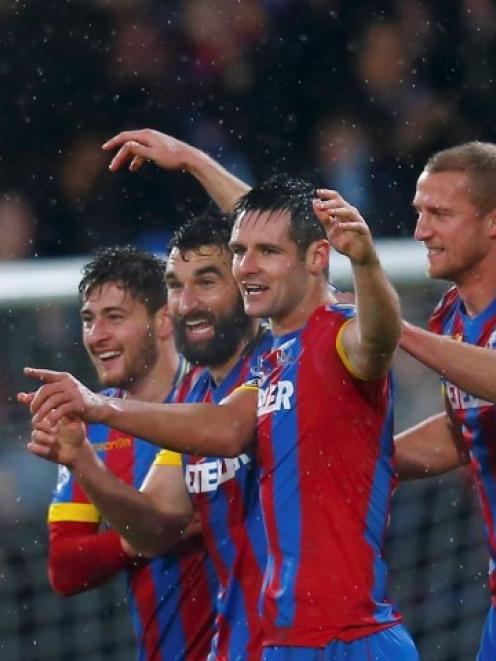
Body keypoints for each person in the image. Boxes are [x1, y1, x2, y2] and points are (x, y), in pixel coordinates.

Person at [21, 175, 419, 659]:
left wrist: (364, 259)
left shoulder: (324, 338)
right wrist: (86, 448)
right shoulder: (240, 380)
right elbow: (155, 526)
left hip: (349, 634)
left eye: (207, 282)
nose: (187, 303)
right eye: (176, 286)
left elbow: (374, 333)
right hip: (264, 644)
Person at [45, 246, 216, 660]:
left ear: (163, 321)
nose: (96, 334)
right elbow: (64, 568)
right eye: (88, 319)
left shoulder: (219, 398)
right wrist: (135, 540)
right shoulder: (91, 429)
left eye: (114, 317)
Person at [391, 141, 496, 660]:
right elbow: (463, 431)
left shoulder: (429, 333)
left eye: (440, 214)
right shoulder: (451, 318)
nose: (420, 232)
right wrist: (369, 461)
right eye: (419, 213)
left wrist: (396, 331)